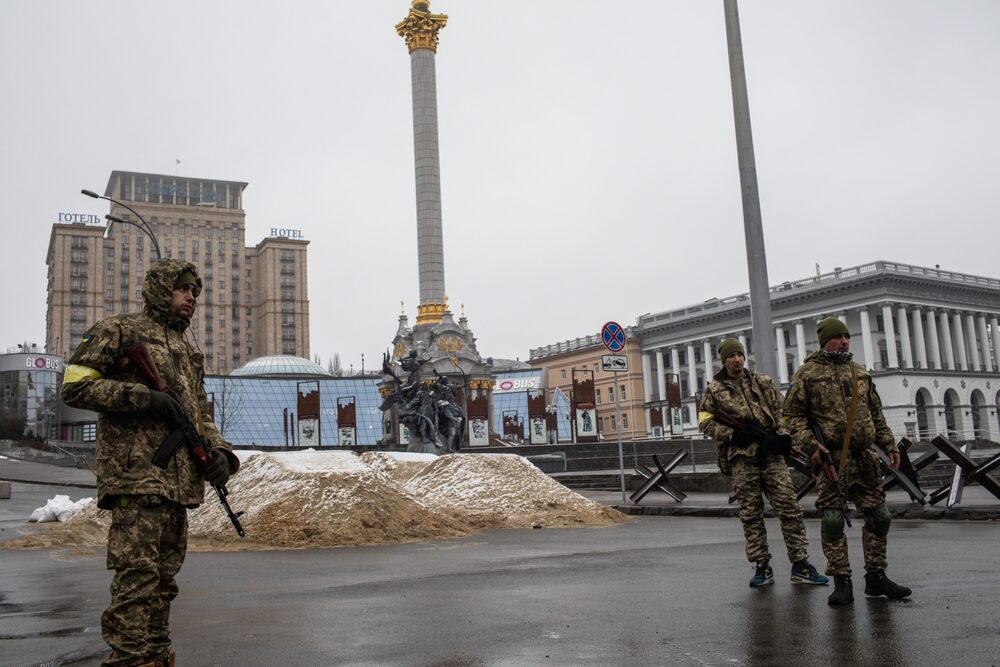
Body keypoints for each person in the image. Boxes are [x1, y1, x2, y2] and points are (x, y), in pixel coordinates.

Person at [62, 258, 239, 666]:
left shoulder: (185, 349)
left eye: (195, 291)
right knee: (136, 583)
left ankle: (156, 657)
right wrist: (141, 397)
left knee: (163, 584)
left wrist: (221, 455)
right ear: (161, 289)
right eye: (183, 289)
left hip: (176, 485)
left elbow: (198, 416)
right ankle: (128, 660)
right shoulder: (120, 330)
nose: (191, 297)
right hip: (136, 480)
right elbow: (74, 387)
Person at [783, 317, 912, 606]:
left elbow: (875, 414)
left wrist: (888, 444)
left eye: (846, 336)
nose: (844, 341)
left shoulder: (860, 373)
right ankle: (841, 580)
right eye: (837, 337)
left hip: (864, 457)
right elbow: (791, 416)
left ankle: (876, 576)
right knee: (832, 520)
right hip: (832, 458)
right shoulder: (806, 374)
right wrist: (810, 445)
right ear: (824, 340)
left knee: (880, 516)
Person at [699, 338, 829, 588]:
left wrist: (781, 435)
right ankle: (762, 566)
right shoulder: (714, 389)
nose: (737, 359)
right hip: (742, 458)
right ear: (724, 360)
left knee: (789, 508)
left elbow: (783, 411)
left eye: (740, 354)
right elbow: (705, 421)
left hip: (771, 455)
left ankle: (801, 564)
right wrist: (733, 435)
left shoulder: (762, 381)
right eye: (732, 356)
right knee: (751, 514)